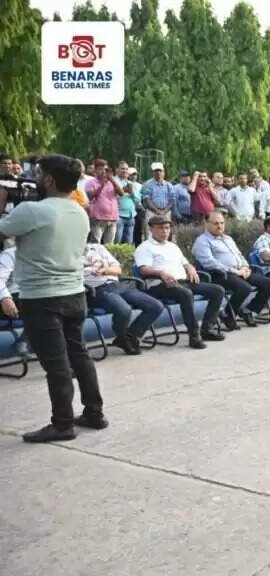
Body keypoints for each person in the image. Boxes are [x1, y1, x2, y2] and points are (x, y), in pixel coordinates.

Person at [0, 154, 104, 443]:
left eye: (38, 173)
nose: (33, 177)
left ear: (48, 180)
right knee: (80, 355)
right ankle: (94, 413)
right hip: (74, 293)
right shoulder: (79, 212)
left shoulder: (33, 211)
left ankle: (62, 424)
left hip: (41, 298)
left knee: (56, 364)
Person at [135, 215, 226, 349]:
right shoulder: (145, 247)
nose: (165, 231)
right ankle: (194, 336)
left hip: (182, 282)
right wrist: (160, 273)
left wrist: (190, 268)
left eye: (167, 228)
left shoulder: (172, 246)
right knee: (186, 294)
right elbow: (144, 270)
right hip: (160, 284)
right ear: (151, 229)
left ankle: (207, 329)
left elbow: (185, 262)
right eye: (160, 228)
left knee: (218, 291)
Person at [192, 211, 270, 329]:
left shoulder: (228, 239)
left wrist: (245, 266)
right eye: (216, 223)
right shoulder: (202, 241)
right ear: (206, 223)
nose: (219, 226)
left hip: (239, 271)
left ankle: (248, 311)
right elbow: (209, 262)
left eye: (222, 223)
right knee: (244, 287)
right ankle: (228, 315)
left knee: (269, 283)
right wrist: (234, 271)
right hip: (220, 274)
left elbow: (239, 255)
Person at [83, 241, 164, 355]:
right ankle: (123, 337)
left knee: (155, 306)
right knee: (124, 310)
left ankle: (129, 337)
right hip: (97, 290)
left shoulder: (97, 248)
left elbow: (118, 270)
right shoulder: (69, 255)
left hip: (118, 285)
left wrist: (105, 270)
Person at [85, 158, 122, 244]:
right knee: (95, 243)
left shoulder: (112, 182)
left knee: (109, 245)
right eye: (100, 169)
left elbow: (121, 193)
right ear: (95, 170)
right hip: (98, 218)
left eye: (105, 169)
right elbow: (91, 196)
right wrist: (102, 183)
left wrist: (112, 179)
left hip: (112, 218)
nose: (103, 171)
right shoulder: (90, 182)